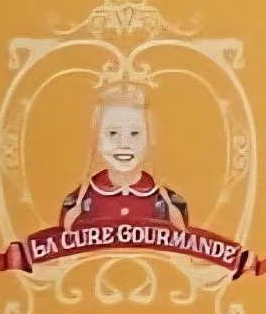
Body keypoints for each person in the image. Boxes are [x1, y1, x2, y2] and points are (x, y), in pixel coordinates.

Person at [58, 81, 188, 231]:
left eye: (135, 133)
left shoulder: (169, 204)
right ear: (97, 138)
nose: (124, 144)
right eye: (112, 133)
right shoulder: (76, 204)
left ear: (149, 138)